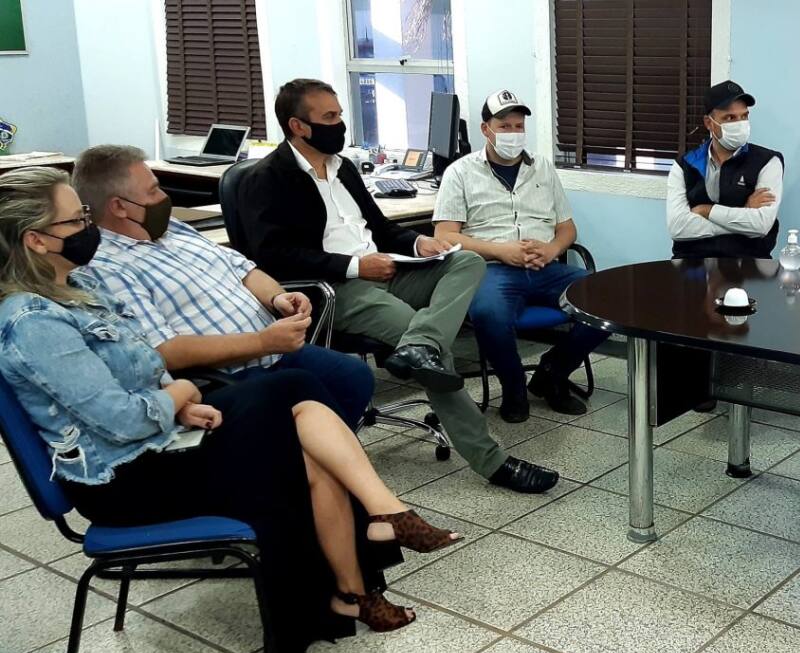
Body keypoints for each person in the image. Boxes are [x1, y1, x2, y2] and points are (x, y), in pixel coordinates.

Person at [0, 167, 464, 653]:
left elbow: (141, 366)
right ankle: (377, 534)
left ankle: (355, 584)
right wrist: (181, 393)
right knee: (293, 399)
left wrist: (175, 402)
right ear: (37, 240)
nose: (88, 227)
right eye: (76, 220)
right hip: (125, 478)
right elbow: (121, 418)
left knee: (307, 440)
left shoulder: (79, 286)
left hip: (162, 437)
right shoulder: (33, 323)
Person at [238, 78, 559, 493]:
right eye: (330, 117)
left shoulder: (342, 168)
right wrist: (356, 266)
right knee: (433, 350)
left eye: (340, 114)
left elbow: (382, 228)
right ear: (298, 126)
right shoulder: (267, 178)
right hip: (335, 289)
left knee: (466, 261)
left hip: (387, 269)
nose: (340, 124)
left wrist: (419, 243)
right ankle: (492, 461)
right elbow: (272, 256)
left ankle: (420, 345)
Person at [69, 144, 373, 431]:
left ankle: (310, 457)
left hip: (273, 351)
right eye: (153, 190)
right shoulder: (106, 266)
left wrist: (277, 297)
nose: (163, 196)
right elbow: (164, 351)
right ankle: (302, 457)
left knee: (353, 377)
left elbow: (243, 269)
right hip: (224, 375)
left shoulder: (171, 228)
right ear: (119, 207)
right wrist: (263, 342)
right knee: (307, 399)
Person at [433, 89, 610, 423]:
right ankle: (513, 387)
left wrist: (552, 249)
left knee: (607, 299)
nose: (513, 133)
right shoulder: (460, 172)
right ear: (486, 129)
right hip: (491, 269)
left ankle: (552, 372)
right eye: (504, 126)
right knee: (489, 314)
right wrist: (502, 251)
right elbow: (444, 236)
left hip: (545, 267)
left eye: (518, 126)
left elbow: (567, 228)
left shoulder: (542, 168)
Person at [666, 80, 785, 260]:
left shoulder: (768, 162)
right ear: (709, 123)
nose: (740, 123)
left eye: (744, 116)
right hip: (692, 264)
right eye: (730, 118)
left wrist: (707, 211)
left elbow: (761, 225)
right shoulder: (684, 165)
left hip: (748, 265)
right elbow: (678, 228)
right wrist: (744, 212)